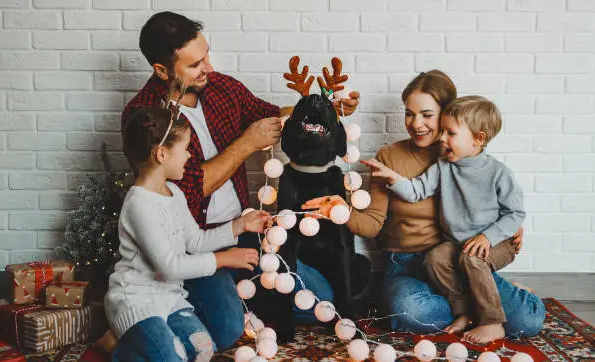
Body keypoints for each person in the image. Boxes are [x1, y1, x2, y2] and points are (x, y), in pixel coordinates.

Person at [121, 11, 361, 350]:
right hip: (194, 246)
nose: (208, 68)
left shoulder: (221, 87)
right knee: (228, 328)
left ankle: (241, 297)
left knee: (323, 302)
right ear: (162, 70)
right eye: (195, 64)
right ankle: (192, 309)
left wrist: (326, 110)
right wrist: (246, 144)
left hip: (243, 232)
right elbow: (186, 191)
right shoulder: (145, 117)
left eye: (206, 56)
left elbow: (276, 116)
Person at [302, 70, 545, 339]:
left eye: (427, 115)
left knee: (528, 320)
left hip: (457, 258)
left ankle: (483, 306)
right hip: (408, 263)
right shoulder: (391, 156)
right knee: (409, 312)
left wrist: (504, 228)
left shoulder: (463, 154)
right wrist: (340, 210)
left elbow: (493, 202)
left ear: (448, 115)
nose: (416, 123)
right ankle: (479, 306)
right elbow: (373, 223)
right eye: (409, 113)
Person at [106, 106, 271, 362]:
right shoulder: (140, 204)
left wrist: (240, 225)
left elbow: (196, 242)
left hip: (171, 299)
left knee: (204, 349)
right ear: (162, 154)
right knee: (173, 357)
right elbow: (171, 266)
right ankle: (121, 350)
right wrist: (225, 259)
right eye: (184, 149)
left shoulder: (175, 193)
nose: (189, 155)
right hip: (137, 302)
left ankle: (140, 345)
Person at [367, 95, 524, 344]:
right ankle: (463, 310)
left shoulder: (498, 173)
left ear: (478, 138)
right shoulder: (443, 166)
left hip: (495, 242)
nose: (442, 138)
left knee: (472, 259)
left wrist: (488, 236)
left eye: (450, 133)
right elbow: (417, 190)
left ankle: (492, 322)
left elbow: (515, 213)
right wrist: (392, 178)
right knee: (436, 258)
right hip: (459, 245)